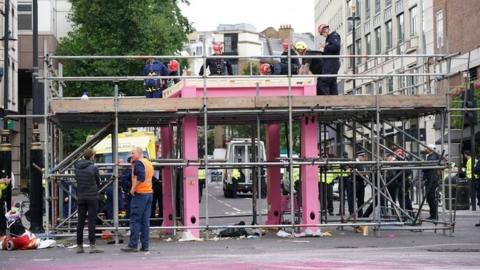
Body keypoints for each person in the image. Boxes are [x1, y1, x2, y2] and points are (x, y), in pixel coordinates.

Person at [121, 147, 153, 252]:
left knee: (135, 220)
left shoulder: (139, 163)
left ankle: (133, 245)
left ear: (139, 153)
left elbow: (141, 176)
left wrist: (133, 189)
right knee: (145, 221)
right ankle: (145, 245)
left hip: (140, 194)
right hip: (148, 193)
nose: (131, 154)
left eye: (133, 153)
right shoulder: (148, 162)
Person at [74, 148, 103, 254]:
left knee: (80, 222)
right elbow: (98, 181)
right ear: (92, 156)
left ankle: (79, 246)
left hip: (81, 196)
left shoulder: (77, 167)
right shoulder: (93, 167)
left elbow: (77, 180)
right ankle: (92, 245)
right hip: (92, 197)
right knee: (91, 222)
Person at [317, 24, 341, 95]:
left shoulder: (334, 36)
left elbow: (336, 47)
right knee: (332, 83)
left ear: (325, 30)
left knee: (323, 81)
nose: (323, 35)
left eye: (322, 33)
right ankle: (333, 102)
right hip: (330, 62)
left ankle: (326, 102)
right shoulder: (329, 38)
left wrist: (325, 46)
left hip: (332, 62)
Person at [423, 144, 440, 220]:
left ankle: (434, 215)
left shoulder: (433, 157)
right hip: (430, 179)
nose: (425, 150)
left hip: (432, 180)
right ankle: (433, 215)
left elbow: (426, 167)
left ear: (430, 149)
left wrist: (423, 164)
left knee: (431, 198)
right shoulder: (431, 156)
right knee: (430, 198)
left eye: (426, 148)